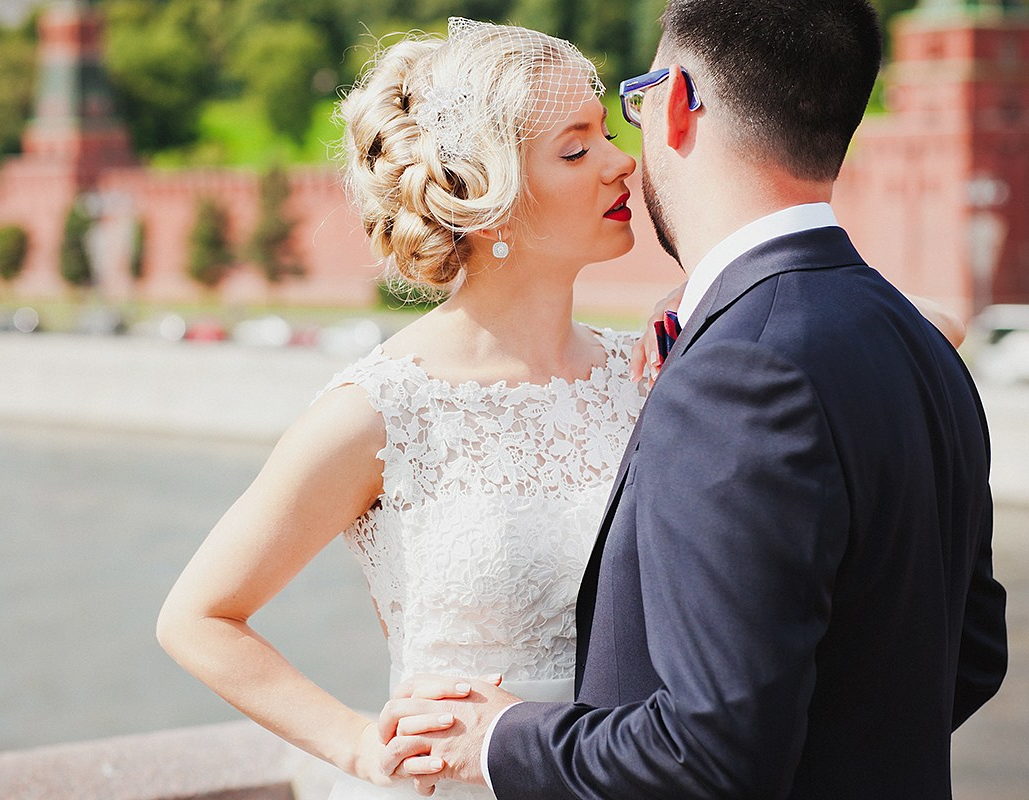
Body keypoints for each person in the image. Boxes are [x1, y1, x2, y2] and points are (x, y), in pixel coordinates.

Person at [157, 14, 974, 800]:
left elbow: (921, 323)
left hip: (638, 777)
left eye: (610, 135)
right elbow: (198, 616)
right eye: (576, 149)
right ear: (491, 197)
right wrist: (357, 744)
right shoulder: (382, 410)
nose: (622, 164)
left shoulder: (660, 366)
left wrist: (712, 294)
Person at [378, 2, 1008, 799]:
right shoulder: (920, 344)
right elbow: (974, 655)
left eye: (629, 108)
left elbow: (709, 754)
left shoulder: (732, 374)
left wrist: (502, 738)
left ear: (675, 101)